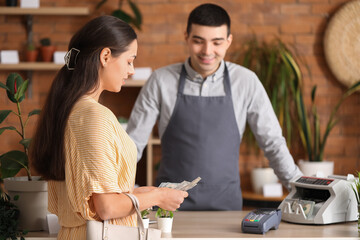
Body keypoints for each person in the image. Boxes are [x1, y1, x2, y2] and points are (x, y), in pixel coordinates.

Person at [126, 3, 302, 211]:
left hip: (227, 211)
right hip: (169, 213)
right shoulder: (160, 81)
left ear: (229, 41)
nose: (207, 51)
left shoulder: (246, 82)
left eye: (217, 42)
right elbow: (132, 145)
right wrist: (114, 191)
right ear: (187, 37)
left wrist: (302, 190)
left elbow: (273, 143)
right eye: (198, 41)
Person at [30, 15, 188, 239]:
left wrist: (135, 193)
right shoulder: (93, 117)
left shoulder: (71, 110)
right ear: (105, 56)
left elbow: (93, 197)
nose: (132, 70)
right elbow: (106, 208)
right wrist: (159, 197)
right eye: (129, 60)